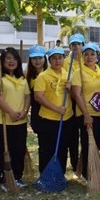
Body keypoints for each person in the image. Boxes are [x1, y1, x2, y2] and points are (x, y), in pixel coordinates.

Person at [0, 47, 31, 191]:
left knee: (19, 150)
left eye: (14, 58)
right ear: (2, 61)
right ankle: (3, 179)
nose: (11, 61)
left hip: (20, 120)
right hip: (2, 121)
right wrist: (11, 112)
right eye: (8, 58)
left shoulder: (22, 78)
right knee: (4, 150)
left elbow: (27, 96)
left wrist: (24, 111)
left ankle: (17, 177)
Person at [71, 42, 100, 181]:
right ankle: (88, 175)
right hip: (86, 113)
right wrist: (86, 114)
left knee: (96, 143)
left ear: (97, 56)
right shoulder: (78, 73)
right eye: (86, 54)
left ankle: (83, 169)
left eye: (92, 54)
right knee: (88, 144)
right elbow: (77, 94)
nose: (89, 57)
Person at [34, 47, 74, 175]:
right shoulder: (43, 76)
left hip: (66, 119)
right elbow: (38, 97)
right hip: (48, 119)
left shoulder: (67, 74)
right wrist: (56, 108)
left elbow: (74, 95)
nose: (57, 61)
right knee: (47, 149)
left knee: (62, 148)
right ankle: (45, 175)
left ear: (64, 59)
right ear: (49, 60)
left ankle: (59, 175)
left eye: (60, 58)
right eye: (54, 58)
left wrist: (70, 88)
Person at [64, 34, 85, 178]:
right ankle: (72, 164)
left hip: (83, 105)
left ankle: (81, 166)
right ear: (70, 47)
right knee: (71, 137)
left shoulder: (87, 60)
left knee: (83, 137)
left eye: (78, 44)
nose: (76, 47)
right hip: (69, 104)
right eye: (73, 44)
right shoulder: (65, 62)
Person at [26, 45, 48, 137]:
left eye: (40, 58)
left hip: (50, 113)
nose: (37, 61)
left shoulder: (50, 74)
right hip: (37, 114)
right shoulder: (27, 76)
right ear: (30, 60)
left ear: (45, 58)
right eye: (34, 58)